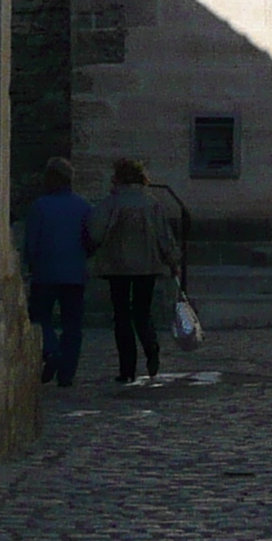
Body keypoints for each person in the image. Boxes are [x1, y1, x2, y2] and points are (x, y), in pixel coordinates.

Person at [93, 158, 179, 384]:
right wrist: (172, 259)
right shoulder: (151, 203)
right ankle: (151, 347)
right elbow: (164, 236)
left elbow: (95, 232)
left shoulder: (112, 203)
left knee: (121, 315)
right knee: (142, 311)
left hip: (117, 266)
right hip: (147, 266)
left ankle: (127, 368)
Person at [19, 158, 96, 387]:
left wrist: (29, 265)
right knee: (73, 324)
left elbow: (31, 242)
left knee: (40, 316)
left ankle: (51, 351)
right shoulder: (84, 206)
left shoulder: (40, 206)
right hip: (74, 273)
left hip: (46, 272)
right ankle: (67, 372)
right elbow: (91, 240)